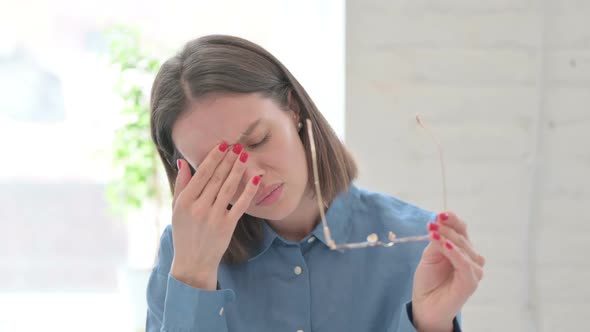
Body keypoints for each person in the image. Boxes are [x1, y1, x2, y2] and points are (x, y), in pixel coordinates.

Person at [146, 35, 485, 332]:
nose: (252, 179)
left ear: (292, 109)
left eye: (259, 139)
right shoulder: (182, 252)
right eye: (218, 167)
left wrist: (429, 325)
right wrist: (193, 279)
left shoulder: (414, 243)